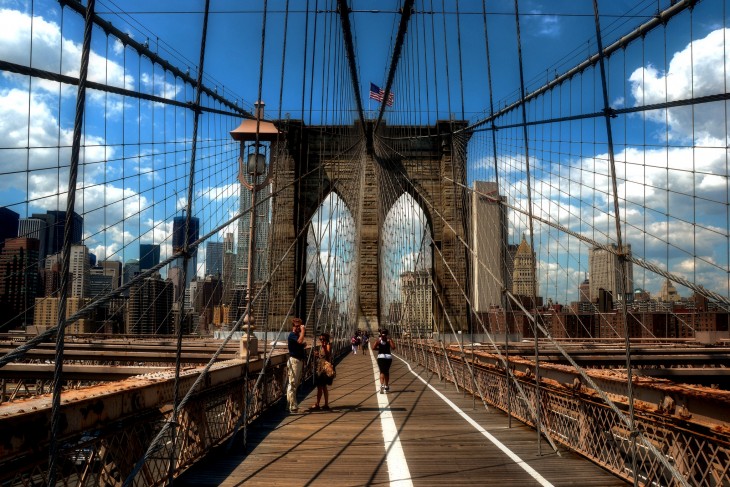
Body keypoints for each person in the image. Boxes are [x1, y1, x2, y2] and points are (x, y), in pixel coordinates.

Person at [286, 317, 306, 412]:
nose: (299, 328)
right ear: (293, 326)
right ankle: (292, 406)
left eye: (300, 326)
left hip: (299, 361)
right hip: (294, 361)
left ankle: (290, 404)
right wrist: (303, 331)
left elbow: (300, 343)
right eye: (297, 326)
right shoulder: (292, 335)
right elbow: (300, 341)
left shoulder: (296, 335)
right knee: (293, 383)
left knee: (295, 383)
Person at [311, 332, 333, 410]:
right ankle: (325, 404)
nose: (321, 340)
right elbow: (322, 356)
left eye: (323, 339)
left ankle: (318, 404)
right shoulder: (322, 346)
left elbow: (328, 354)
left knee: (320, 387)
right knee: (323, 387)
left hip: (323, 369)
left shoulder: (327, 345)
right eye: (320, 339)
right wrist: (318, 355)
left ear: (326, 339)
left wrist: (324, 346)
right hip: (320, 367)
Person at [372, 329, 395, 394]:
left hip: (380, 357)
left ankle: (382, 385)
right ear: (387, 334)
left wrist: (379, 349)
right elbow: (393, 347)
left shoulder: (378, 340)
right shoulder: (389, 340)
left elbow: (373, 348)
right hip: (388, 357)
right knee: (386, 372)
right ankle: (386, 386)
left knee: (382, 371)